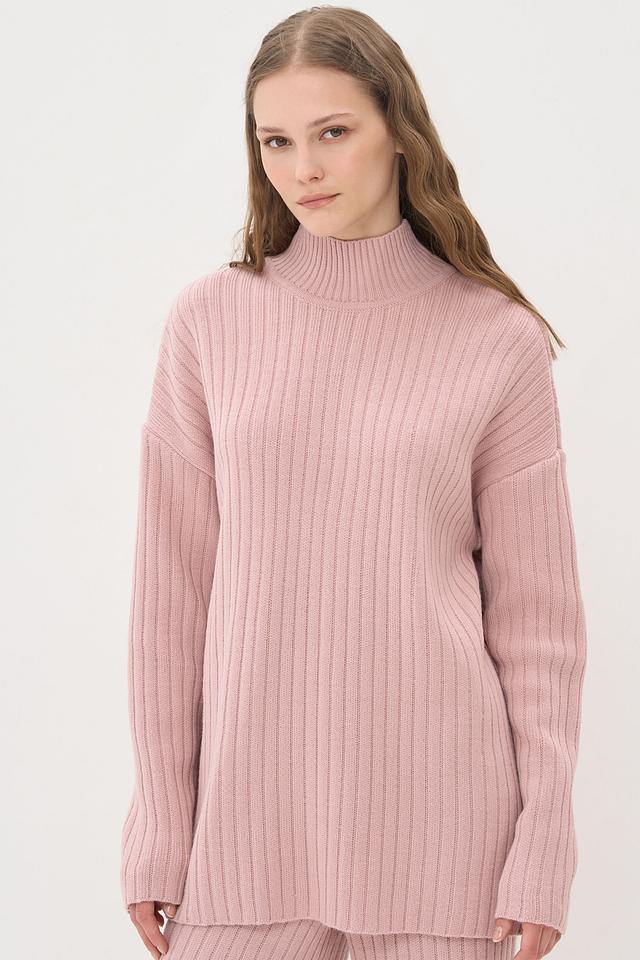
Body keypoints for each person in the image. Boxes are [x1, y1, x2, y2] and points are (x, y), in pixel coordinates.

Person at [120, 7, 587, 960]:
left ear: (398, 129)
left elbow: (539, 624)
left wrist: (545, 839)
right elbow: (170, 601)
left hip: (447, 845)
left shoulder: (495, 338)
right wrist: (160, 820)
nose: (305, 168)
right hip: (244, 837)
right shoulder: (209, 323)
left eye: (333, 131)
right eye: (277, 141)